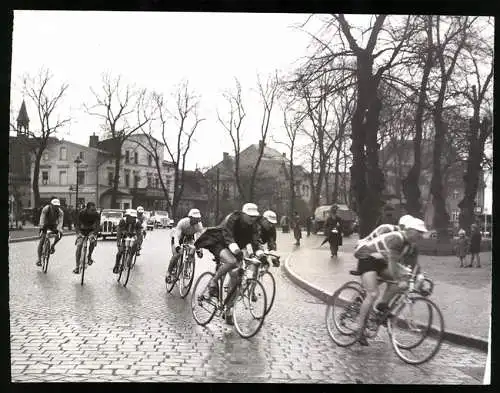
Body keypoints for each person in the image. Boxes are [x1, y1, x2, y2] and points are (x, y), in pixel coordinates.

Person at [353, 216, 427, 346]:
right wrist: (399, 279)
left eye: (422, 233)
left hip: (382, 261)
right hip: (367, 257)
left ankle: (382, 306)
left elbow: (414, 266)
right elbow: (393, 264)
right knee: (373, 293)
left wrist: (421, 280)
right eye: (418, 232)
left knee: (404, 281)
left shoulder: (412, 246)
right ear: (410, 230)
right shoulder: (397, 239)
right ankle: (359, 330)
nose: (420, 236)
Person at [194, 203, 266, 325]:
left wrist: (260, 254)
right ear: (243, 214)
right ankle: (213, 281)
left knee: (236, 277)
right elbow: (228, 235)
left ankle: (228, 311)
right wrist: (236, 250)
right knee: (231, 261)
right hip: (219, 242)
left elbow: (254, 241)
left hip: (235, 247)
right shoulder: (233, 218)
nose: (252, 219)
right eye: (250, 216)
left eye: (254, 217)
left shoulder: (253, 225)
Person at [165, 208, 204, 284]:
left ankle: (187, 268)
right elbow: (177, 236)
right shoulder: (183, 222)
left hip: (189, 236)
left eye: (198, 219)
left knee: (192, 249)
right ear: (190, 217)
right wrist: (177, 246)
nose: (196, 220)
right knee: (177, 254)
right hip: (178, 236)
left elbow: (200, 239)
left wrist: (199, 250)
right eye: (195, 218)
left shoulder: (199, 225)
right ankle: (168, 272)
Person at [113, 209, 143, 274]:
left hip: (132, 235)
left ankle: (130, 258)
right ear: (127, 216)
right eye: (131, 217)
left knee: (135, 245)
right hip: (124, 235)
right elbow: (118, 232)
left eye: (134, 217)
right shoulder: (122, 221)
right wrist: (118, 242)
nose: (132, 219)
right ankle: (116, 265)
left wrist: (138, 244)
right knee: (120, 251)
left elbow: (139, 234)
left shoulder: (137, 222)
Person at [36, 198, 64, 266]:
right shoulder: (46, 209)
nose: (56, 207)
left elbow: (60, 221)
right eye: (55, 205)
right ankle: (39, 259)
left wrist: (59, 229)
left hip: (53, 225)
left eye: (57, 206)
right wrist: (41, 226)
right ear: (51, 205)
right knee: (42, 241)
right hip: (44, 224)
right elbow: (42, 218)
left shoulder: (60, 212)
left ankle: (53, 245)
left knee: (60, 234)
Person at [73, 202, 100, 274]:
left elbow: (97, 226)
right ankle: (77, 266)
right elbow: (77, 225)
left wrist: (94, 234)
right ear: (87, 209)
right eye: (92, 210)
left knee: (93, 241)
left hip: (91, 231)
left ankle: (89, 256)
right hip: (81, 231)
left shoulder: (96, 214)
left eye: (94, 210)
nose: (93, 212)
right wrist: (78, 233)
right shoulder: (81, 213)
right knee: (79, 246)